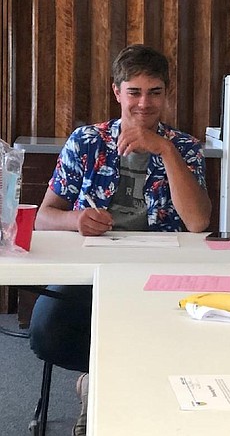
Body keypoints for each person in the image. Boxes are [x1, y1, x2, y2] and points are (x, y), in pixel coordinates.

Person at [30, 44, 211, 435]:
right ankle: (97, 382)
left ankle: (115, 394)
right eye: (135, 92)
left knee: (191, 333)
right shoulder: (86, 142)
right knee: (48, 330)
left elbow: (197, 223)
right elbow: (44, 216)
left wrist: (163, 149)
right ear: (117, 92)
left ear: (166, 94)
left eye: (155, 92)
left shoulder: (184, 147)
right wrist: (76, 219)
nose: (145, 103)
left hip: (163, 271)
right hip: (89, 269)